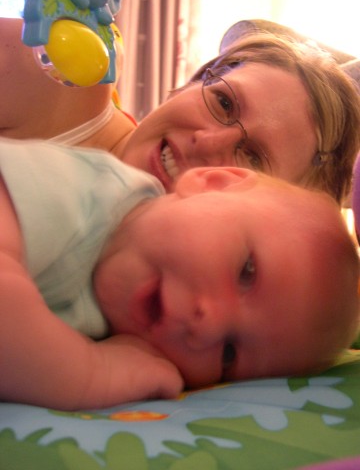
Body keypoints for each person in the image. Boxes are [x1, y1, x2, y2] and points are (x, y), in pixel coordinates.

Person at [0, 138, 359, 411]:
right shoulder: (79, 189)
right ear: (214, 182)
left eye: (229, 355)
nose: (211, 324)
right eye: (245, 271)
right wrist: (90, 373)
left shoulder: (119, 320)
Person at [1, 18, 360, 203]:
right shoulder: (55, 80)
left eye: (252, 157)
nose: (207, 142)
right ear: (195, 80)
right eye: (223, 102)